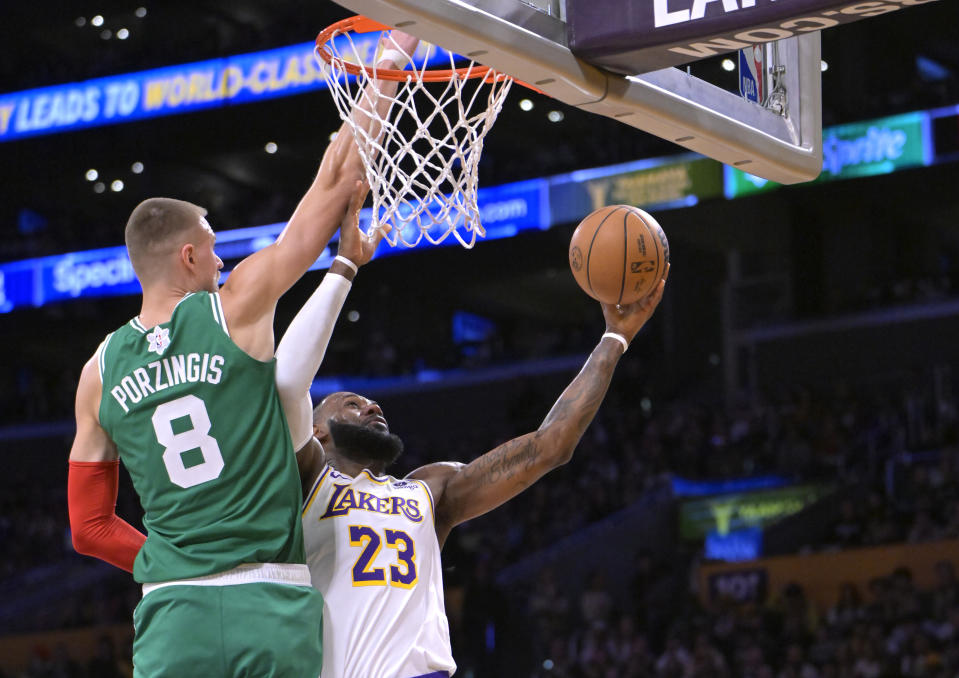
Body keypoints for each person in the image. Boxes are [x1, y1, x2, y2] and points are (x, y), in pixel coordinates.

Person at [66, 31, 419, 678]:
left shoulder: (98, 371)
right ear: (188, 256)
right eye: (214, 243)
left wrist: (164, 561)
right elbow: (336, 181)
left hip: (173, 615)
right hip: (267, 598)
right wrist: (393, 56)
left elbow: (88, 526)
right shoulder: (236, 308)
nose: (224, 257)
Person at [274, 206, 669, 677]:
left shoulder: (430, 490)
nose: (372, 407)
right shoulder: (305, 478)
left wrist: (613, 339)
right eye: (352, 403)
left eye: (373, 404)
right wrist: (344, 267)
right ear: (315, 429)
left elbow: (550, 446)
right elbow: (288, 382)